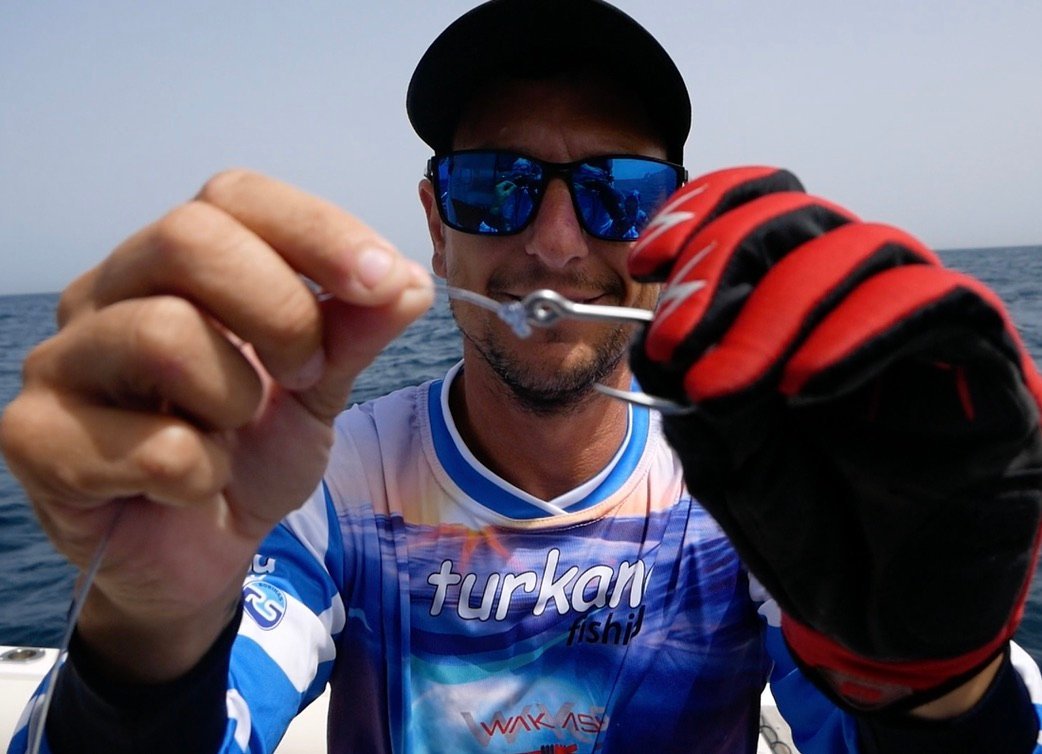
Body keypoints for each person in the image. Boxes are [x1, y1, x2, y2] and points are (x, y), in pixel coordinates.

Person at [3, 1, 1042, 752]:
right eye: (495, 186)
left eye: (616, 192)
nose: (553, 244)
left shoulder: (751, 492)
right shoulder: (318, 487)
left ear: (671, 228)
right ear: (435, 224)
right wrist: (146, 632)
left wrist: (936, 685)